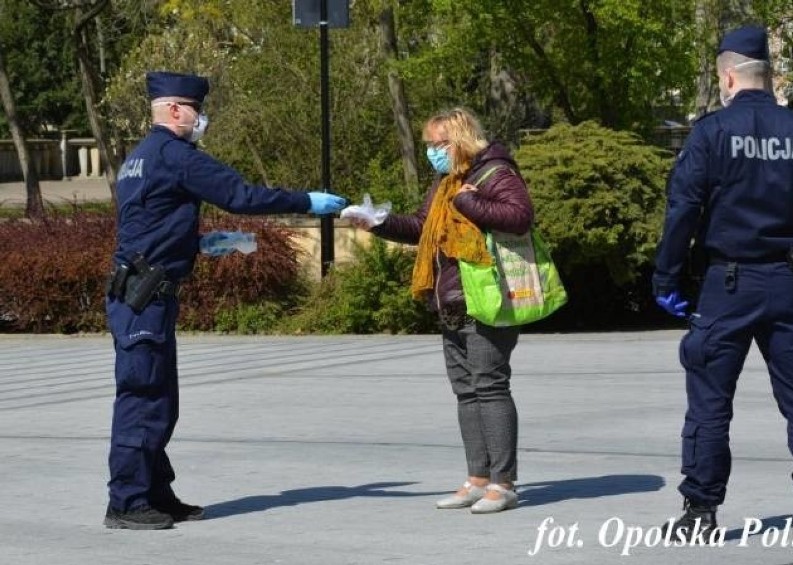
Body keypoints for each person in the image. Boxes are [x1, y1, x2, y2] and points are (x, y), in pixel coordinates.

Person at [104, 71, 346, 530]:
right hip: (145, 296)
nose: (201, 118)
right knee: (144, 399)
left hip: (140, 291)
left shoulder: (137, 158)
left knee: (160, 400)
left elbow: (146, 226)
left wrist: (200, 243)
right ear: (175, 109)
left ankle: (154, 493)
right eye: (195, 109)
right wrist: (306, 201)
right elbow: (240, 195)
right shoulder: (175, 156)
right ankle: (126, 502)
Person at [653, 26, 793, 541]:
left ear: (727, 77)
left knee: (710, 401)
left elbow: (683, 210)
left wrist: (667, 277)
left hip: (727, 282)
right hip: (788, 283)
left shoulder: (710, 133)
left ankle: (700, 512)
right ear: (768, 75)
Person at [349, 108, 533, 513]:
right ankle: (478, 478)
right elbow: (421, 226)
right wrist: (377, 222)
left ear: (462, 138)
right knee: (467, 391)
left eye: (438, 144)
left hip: (487, 295)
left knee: (490, 386)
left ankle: (503, 484)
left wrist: (470, 203)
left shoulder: (495, 171)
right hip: (450, 297)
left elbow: (520, 217)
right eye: (429, 145)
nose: (432, 152)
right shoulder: (447, 180)